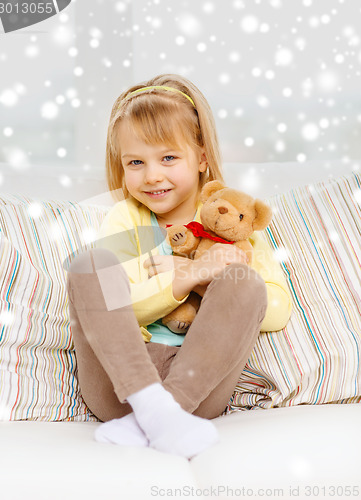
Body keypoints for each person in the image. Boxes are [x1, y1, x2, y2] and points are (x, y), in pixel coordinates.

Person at [66, 74, 292, 459]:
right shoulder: (126, 219)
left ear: (202, 158)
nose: (152, 175)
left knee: (246, 282)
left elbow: (275, 309)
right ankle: (154, 411)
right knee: (89, 265)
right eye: (136, 162)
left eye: (168, 157)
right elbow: (116, 308)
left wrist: (216, 276)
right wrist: (189, 274)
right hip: (118, 385)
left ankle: (163, 414)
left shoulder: (239, 226)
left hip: (197, 388)